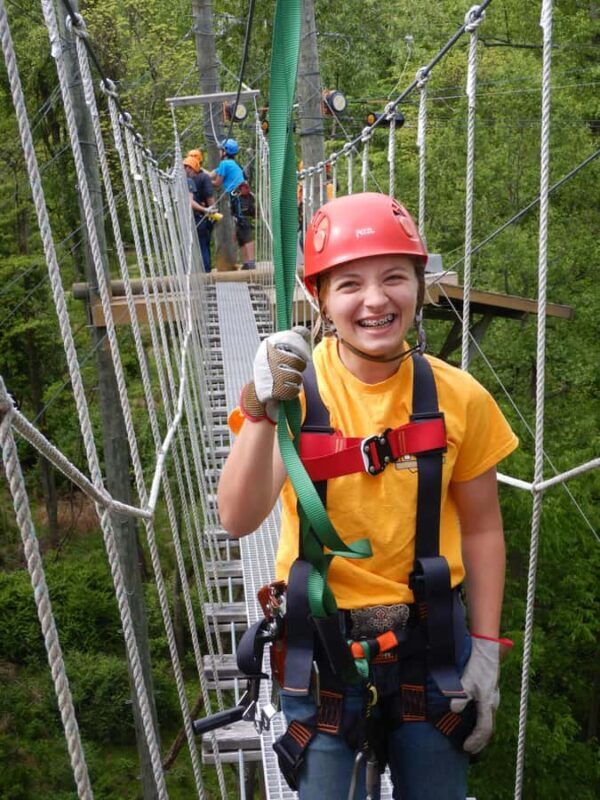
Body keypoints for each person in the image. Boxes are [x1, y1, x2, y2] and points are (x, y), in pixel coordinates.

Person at [218, 193, 518, 800]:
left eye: (394, 278)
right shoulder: (295, 394)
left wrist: (486, 648)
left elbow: (484, 528)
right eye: (350, 284)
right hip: (322, 653)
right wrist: (263, 409)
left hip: (432, 649)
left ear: (419, 287)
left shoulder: (460, 398)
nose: (376, 300)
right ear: (320, 299)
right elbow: (238, 518)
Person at [209, 138, 256, 270]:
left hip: (238, 198)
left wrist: (205, 183)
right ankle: (247, 262)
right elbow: (211, 175)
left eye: (221, 150)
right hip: (241, 197)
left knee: (244, 228)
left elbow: (217, 183)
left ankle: (250, 261)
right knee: (241, 229)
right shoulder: (232, 164)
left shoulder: (224, 164)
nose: (219, 152)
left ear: (225, 151)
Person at [183, 151, 215, 273]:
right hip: (200, 216)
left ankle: (193, 272)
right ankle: (205, 272)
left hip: (186, 218)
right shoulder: (201, 178)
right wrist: (210, 210)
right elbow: (208, 197)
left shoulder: (180, 181)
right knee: (203, 246)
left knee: (191, 248)